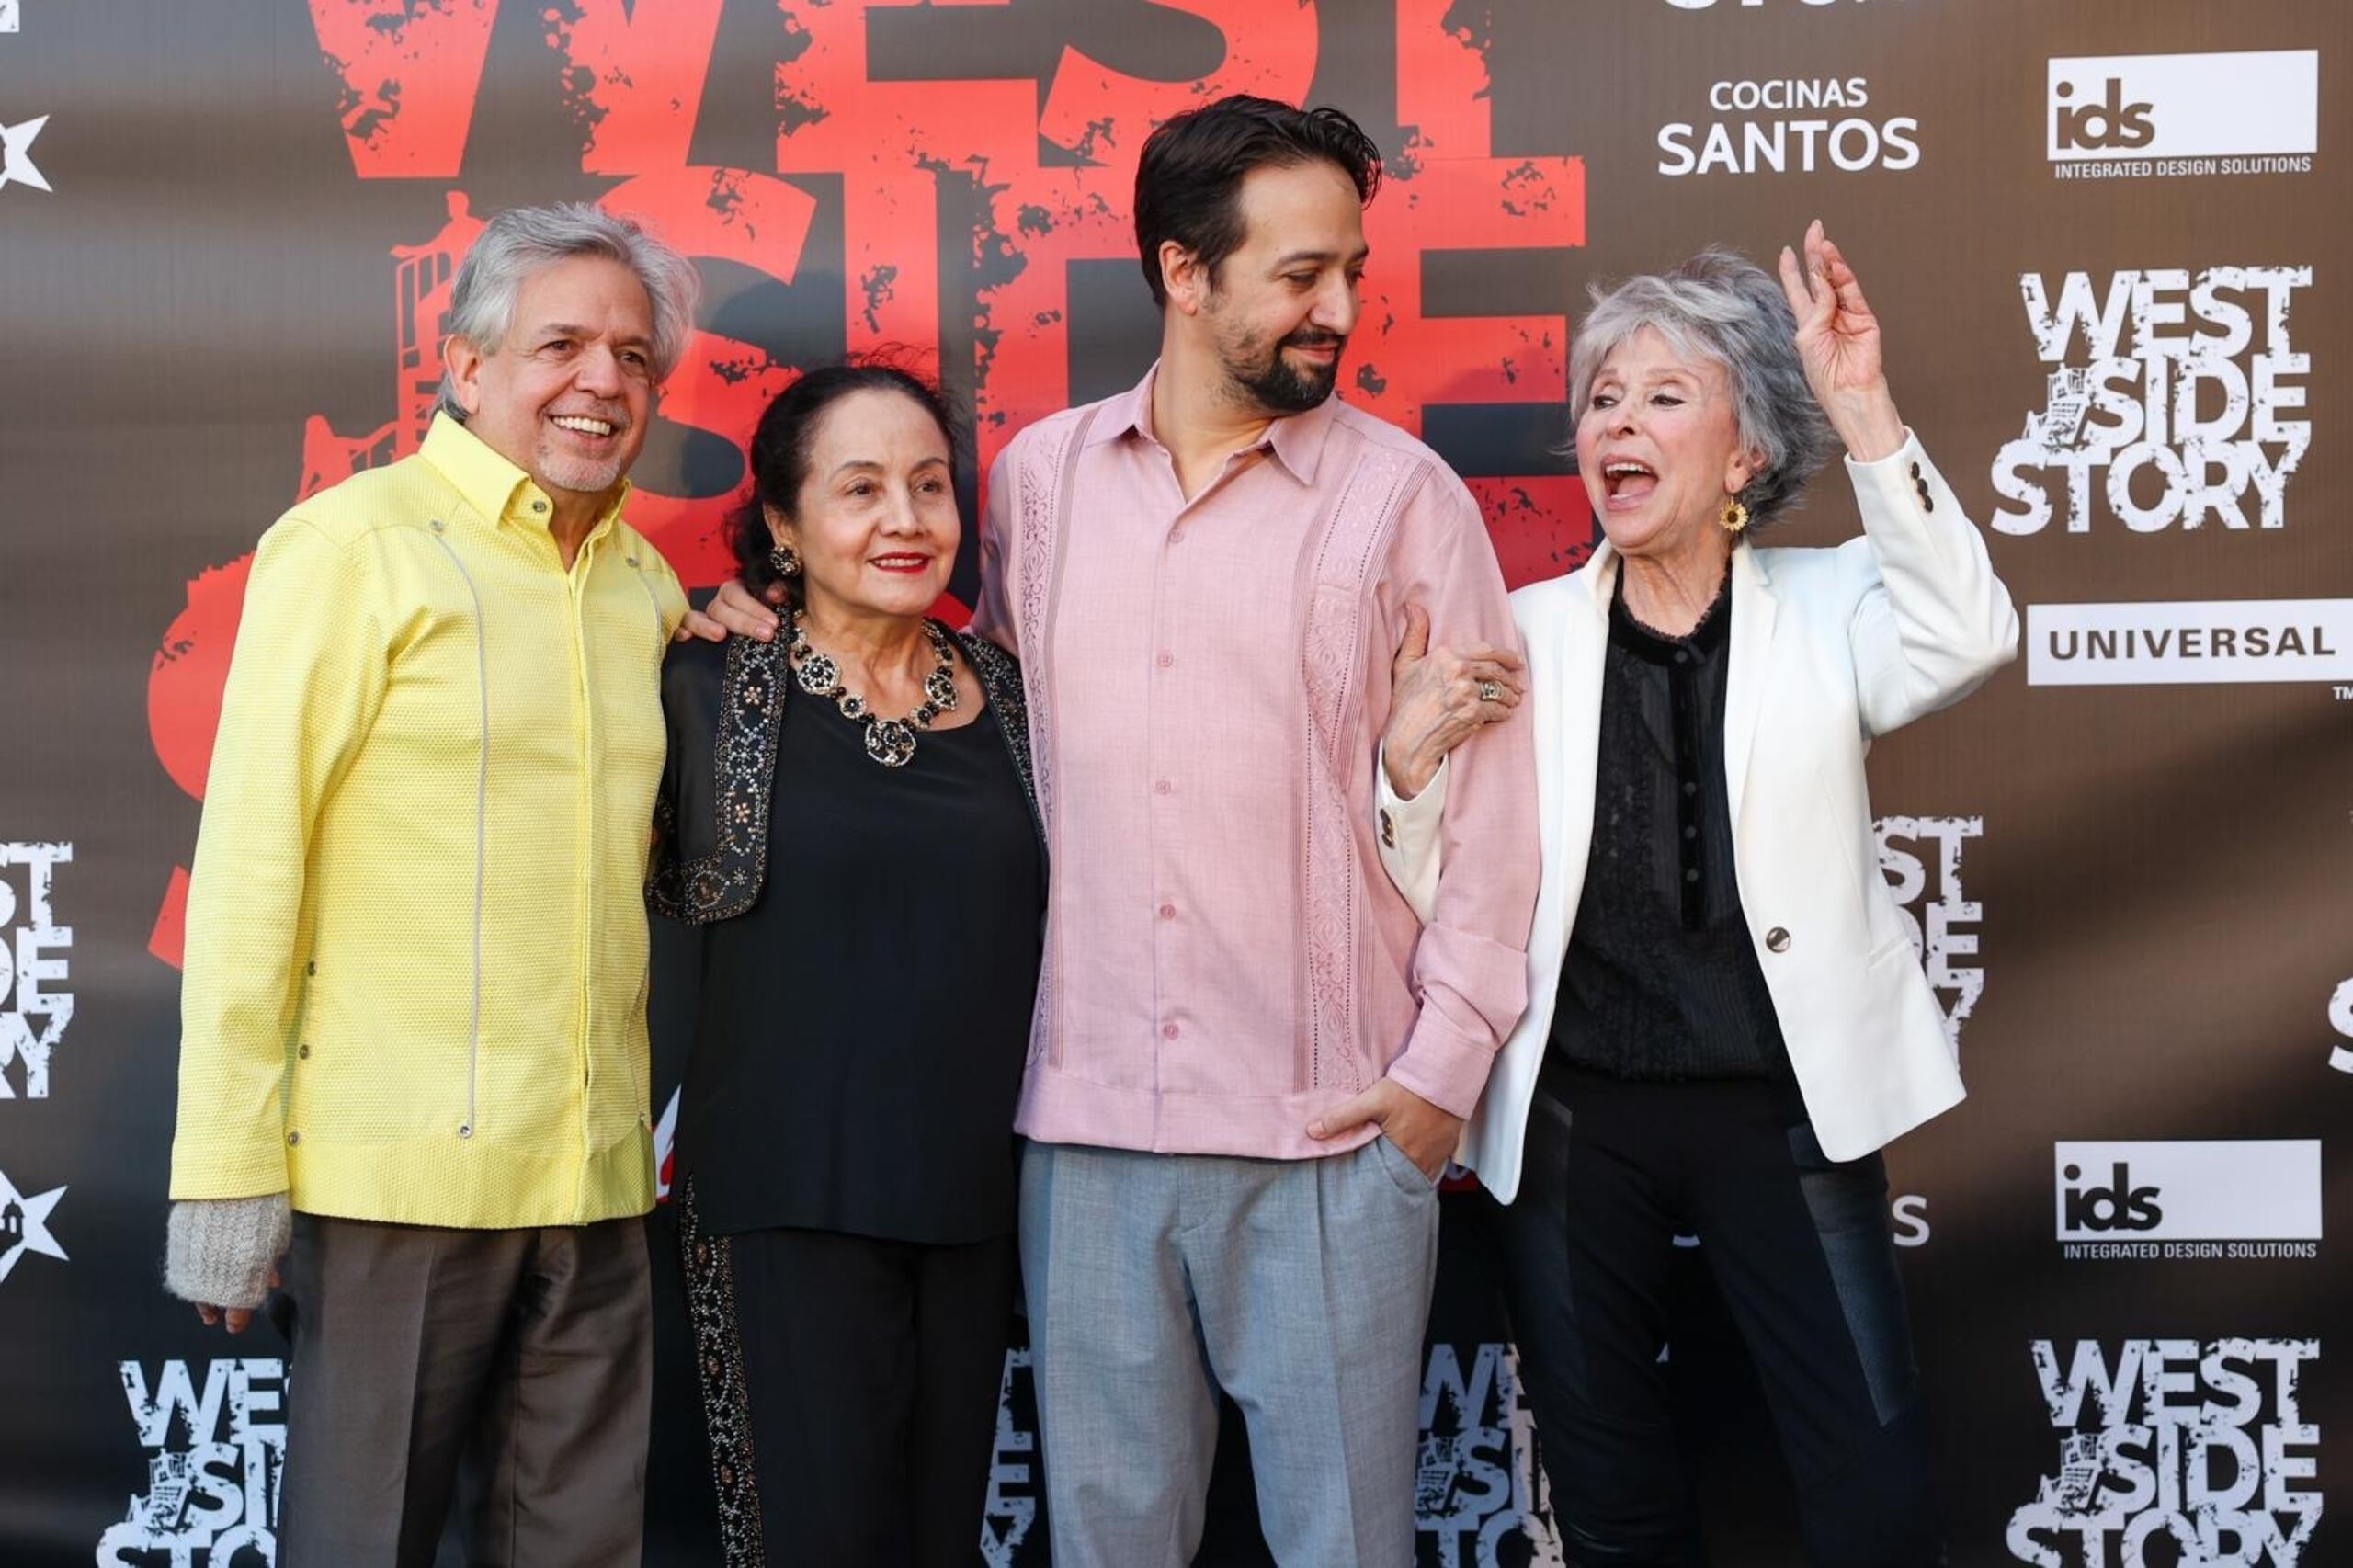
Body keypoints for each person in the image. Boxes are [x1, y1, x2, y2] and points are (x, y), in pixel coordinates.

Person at [708, 95, 1540, 1566]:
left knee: (1350, 1545)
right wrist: (760, 631)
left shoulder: (1405, 500)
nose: (1338, 307)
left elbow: (1493, 810)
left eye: (1349, 267)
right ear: (1181, 271)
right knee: (1106, 1545)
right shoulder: (1038, 484)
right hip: (1081, 1145)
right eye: (1298, 274)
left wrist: (1436, 1078)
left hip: (1332, 1136)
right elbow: (965, 724)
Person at [1376, 228, 2018, 1565]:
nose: (1620, 417)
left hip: (1782, 1110)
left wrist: (1867, 410)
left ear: (1744, 459)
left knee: (1873, 1483)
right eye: (1603, 396)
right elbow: (1437, 881)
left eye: (1665, 395)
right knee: (1613, 1503)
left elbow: (1971, 631)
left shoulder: (1835, 605)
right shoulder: (1524, 629)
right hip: (1571, 1119)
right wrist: (1407, 767)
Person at [164, 202, 699, 1565]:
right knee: (366, 1541)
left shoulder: (645, 588)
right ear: (465, 368)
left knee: (581, 1547)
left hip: (594, 1183)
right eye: (560, 344)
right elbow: (247, 867)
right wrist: (227, 1169)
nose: (602, 382)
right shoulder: (354, 549)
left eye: (634, 357)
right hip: (397, 1184)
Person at [649, 362, 1042, 1564]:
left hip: (972, 1215)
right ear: (782, 521)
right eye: (860, 487)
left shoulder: (1019, 697)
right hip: (781, 1213)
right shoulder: (702, 684)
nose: (906, 520)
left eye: (930, 486)